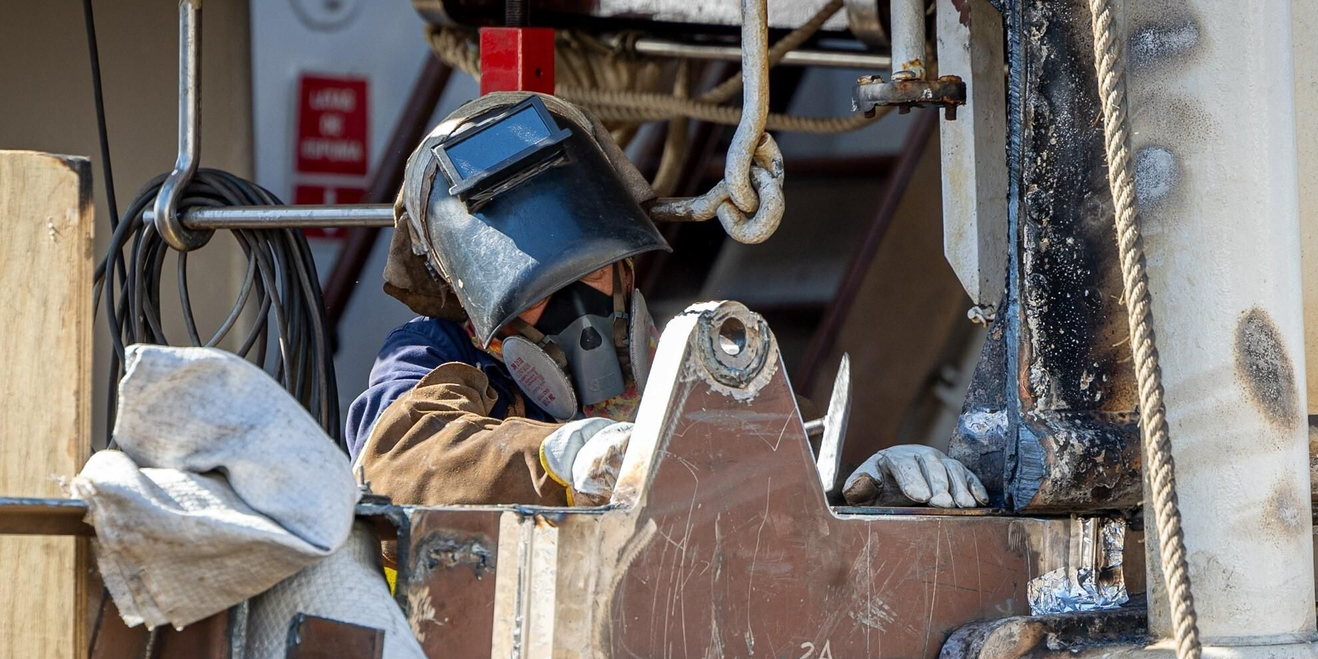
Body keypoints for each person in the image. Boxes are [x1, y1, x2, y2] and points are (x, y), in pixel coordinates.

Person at [347, 91, 987, 513]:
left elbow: (767, 490)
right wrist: (559, 456)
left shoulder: (681, 361)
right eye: (538, 295)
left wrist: (869, 492)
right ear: (479, 310)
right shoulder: (435, 354)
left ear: (627, 269)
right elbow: (399, 459)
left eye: (592, 271)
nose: (580, 311)